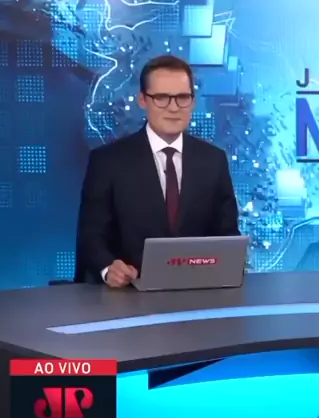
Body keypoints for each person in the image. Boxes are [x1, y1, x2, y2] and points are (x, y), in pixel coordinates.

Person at [77, 55, 240, 288]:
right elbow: (91, 236)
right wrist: (108, 268)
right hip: (126, 295)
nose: (173, 108)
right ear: (143, 100)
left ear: (193, 101)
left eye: (182, 97)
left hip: (199, 294)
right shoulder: (108, 162)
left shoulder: (214, 161)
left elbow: (227, 235)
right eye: (162, 98)